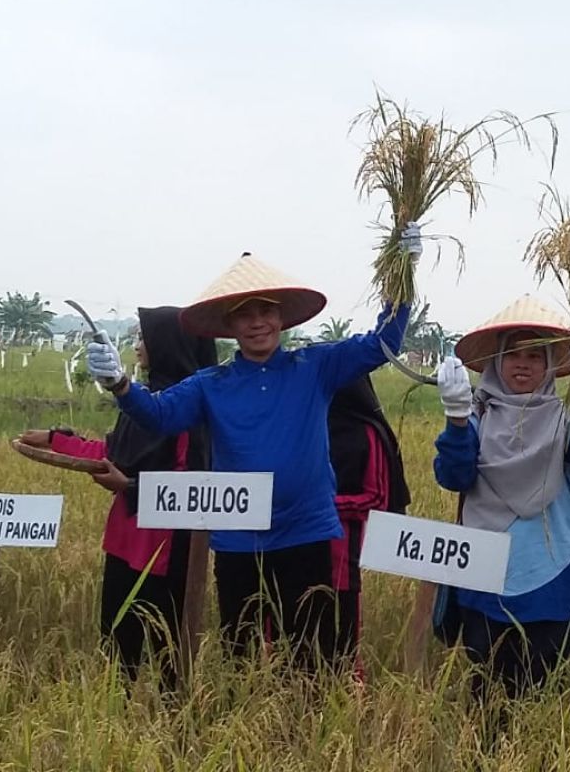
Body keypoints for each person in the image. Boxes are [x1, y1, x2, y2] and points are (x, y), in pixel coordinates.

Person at [85, 243, 421, 670]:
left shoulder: (317, 366)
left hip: (308, 534)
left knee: (310, 657)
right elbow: (159, 415)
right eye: (245, 313)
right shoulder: (212, 383)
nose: (258, 322)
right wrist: (119, 384)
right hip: (239, 539)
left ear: (281, 316)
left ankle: (301, 733)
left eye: (266, 310)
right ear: (230, 324)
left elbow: (384, 342)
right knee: (241, 654)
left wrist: (402, 275)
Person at [21, 307, 215, 682]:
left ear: (168, 345)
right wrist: (56, 441)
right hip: (125, 540)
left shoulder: (189, 408)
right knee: (116, 642)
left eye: (145, 339)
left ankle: (173, 726)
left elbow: (190, 486)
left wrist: (128, 487)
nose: (139, 348)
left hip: (164, 548)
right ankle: (120, 720)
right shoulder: (139, 402)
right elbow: (112, 455)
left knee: (166, 648)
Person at [432, 295, 570, 699]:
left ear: (550, 364)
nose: (523, 364)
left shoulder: (565, 417)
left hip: (555, 566)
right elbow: (454, 476)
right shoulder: (477, 415)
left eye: (535, 355)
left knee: (559, 690)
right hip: (487, 570)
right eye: (513, 354)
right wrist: (457, 421)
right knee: (490, 693)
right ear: (496, 362)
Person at [326, 374, 411, 674]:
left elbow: (376, 496)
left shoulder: (368, 432)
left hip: (343, 546)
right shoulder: (306, 426)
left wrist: (324, 508)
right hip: (299, 543)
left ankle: (350, 682)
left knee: (344, 616)